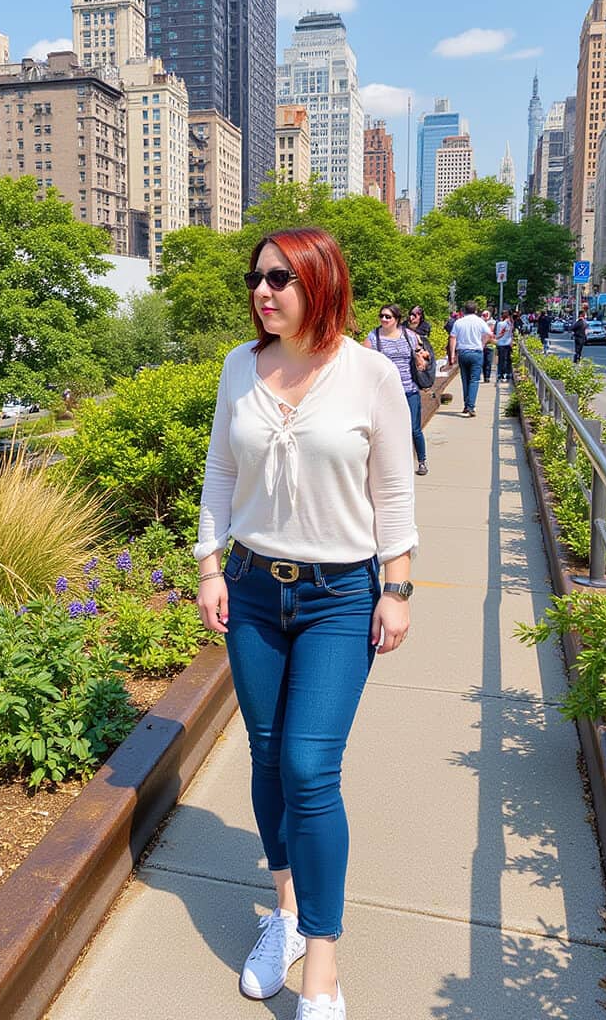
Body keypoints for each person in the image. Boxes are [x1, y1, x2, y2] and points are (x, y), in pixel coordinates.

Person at [195, 228, 417, 1020]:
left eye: (280, 278)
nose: (263, 291)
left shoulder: (367, 373)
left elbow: (393, 489)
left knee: (309, 767)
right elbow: (220, 471)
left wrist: (397, 587)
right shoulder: (238, 366)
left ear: (319, 284)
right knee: (265, 756)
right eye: (256, 278)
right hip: (252, 588)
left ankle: (321, 958)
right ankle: (285, 913)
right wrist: (209, 566)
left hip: (340, 595)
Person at [365, 304, 429, 476]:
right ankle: (393, 464)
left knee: (414, 428)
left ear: (397, 319)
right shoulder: (374, 337)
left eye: (388, 316)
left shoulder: (409, 335)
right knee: (387, 430)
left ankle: (422, 460)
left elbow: (423, 352)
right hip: (386, 393)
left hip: (409, 389)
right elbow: (364, 362)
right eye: (382, 316)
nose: (384, 319)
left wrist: (422, 359)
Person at [447, 301, 493, 417]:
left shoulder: (459, 322)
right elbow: (489, 334)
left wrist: (452, 355)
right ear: (476, 310)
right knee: (474, 380)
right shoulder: (480, 321)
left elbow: (452, 338)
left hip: (463, 353)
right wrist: (482, 343)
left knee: (465, 379)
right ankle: (470, 406)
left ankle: (466, 405)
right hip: (476, 353)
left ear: (464, 310)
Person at [495, 308, 514, 382]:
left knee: (501, 360)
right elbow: (511, 334)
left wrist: (496, 339)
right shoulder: (510, 323)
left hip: (501, 344)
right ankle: (507, 374)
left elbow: (499, 334)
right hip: (508, 343)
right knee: (507, 359)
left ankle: (501, 374)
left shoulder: (500, 324)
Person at [480, 309, 496, 383]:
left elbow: (491, 333)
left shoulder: (492, 322)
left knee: (488, 362)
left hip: (490, 345)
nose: (485, 317)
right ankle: (484, 376)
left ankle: (487, 377)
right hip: (481, 346)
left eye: (486, 315)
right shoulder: (479, 322)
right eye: (484, 315)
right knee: (482, 362)